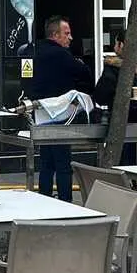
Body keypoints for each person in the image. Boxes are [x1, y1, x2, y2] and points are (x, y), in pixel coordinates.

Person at [31, 15, 93, 202]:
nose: (70, 38)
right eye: (67, 33)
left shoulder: (35, 51)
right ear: (55, 35)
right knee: (63, 164)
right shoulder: (61, 55)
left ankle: (44, 199)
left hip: (41, 115)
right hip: (60, 116)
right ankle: (66, 201)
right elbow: (85, 74)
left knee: (46, 163)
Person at [93, 30, 137, 165]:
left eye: (116, 43)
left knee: (118, 161)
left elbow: (100, 96)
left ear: (121, 45)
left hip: (117, 121)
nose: (114, 47)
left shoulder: (113, 68)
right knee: (134, 161)